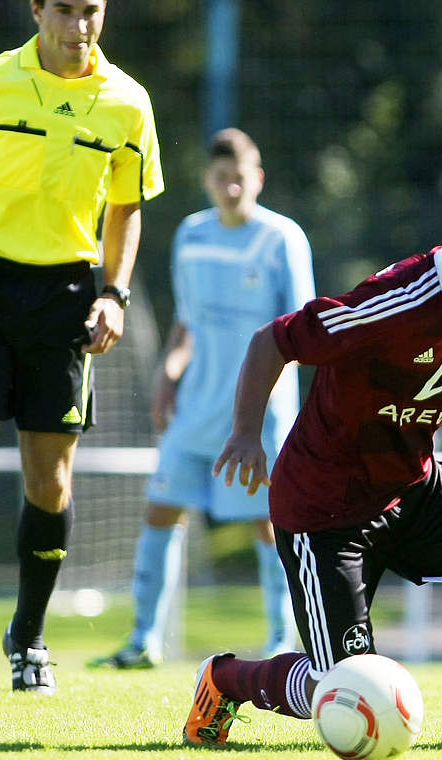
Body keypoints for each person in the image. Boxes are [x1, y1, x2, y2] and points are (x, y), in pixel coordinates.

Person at [181, 157, 442, 750]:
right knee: (346, 688)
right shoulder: (395, 303)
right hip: (327, 507)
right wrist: (246, 433)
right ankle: (225, 680)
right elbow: (272, 340)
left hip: (413, 484)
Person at [0, 0, 163, 695]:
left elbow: (126, 206)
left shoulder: (128, 102)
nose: (80, 25)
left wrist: (115, 293)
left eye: (93, 10)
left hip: (67, 301)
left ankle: (29, 639)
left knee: (51, 483)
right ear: (37, 10)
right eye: (67, 10)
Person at [90, 128, 313, 669]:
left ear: (256, 179)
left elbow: (304, 334)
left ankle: (284, 641)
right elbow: (187, 322)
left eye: (240, 178)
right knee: (162, 509)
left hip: (259, 414)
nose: (231, 189)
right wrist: (168, 375)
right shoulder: (191, 235)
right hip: (197, 409)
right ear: (207, 181)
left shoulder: (282, 238)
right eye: (221, 179)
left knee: (272, 521)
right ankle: (143, 640)